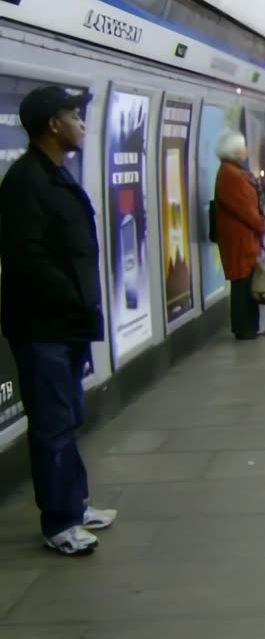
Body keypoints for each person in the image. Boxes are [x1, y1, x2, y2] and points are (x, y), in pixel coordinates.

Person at [0, 86, 115, 556]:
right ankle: (59, 523)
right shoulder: (26, 183)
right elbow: (27, 259)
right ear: (53, 125)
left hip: (67, 324)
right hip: (44, 326)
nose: (81, 122)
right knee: (52, 423)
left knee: (68, 416)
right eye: (74, 115)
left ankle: (76, 501)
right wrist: (71, 298)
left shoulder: (53, 175)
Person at [213, 130, 265, 340]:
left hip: (243, 238)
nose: (246, 151)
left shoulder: (233, 172)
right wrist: (261, 224)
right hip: (239, 239)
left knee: (246, 282)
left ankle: (250, 327)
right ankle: (244, 328)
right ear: (235, 151)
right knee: (242, 284)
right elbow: (245, 208)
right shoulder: (231, 175)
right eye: (243, 147)